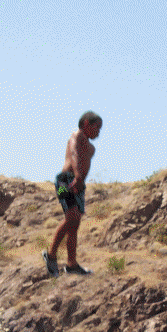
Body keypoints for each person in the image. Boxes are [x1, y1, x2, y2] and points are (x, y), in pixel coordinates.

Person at [43, 111, 102, 276]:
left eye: (100, 129)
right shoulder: (77, 135)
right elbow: (75, 154)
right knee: (71, 218)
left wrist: (80, 182)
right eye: (96, 127)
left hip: (79, 186)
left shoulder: (91, 147)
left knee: (74, 224)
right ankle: (51, 255)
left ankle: (72, 264)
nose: (98, 131)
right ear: (85, 123)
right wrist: (76, 175)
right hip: (64, 181)